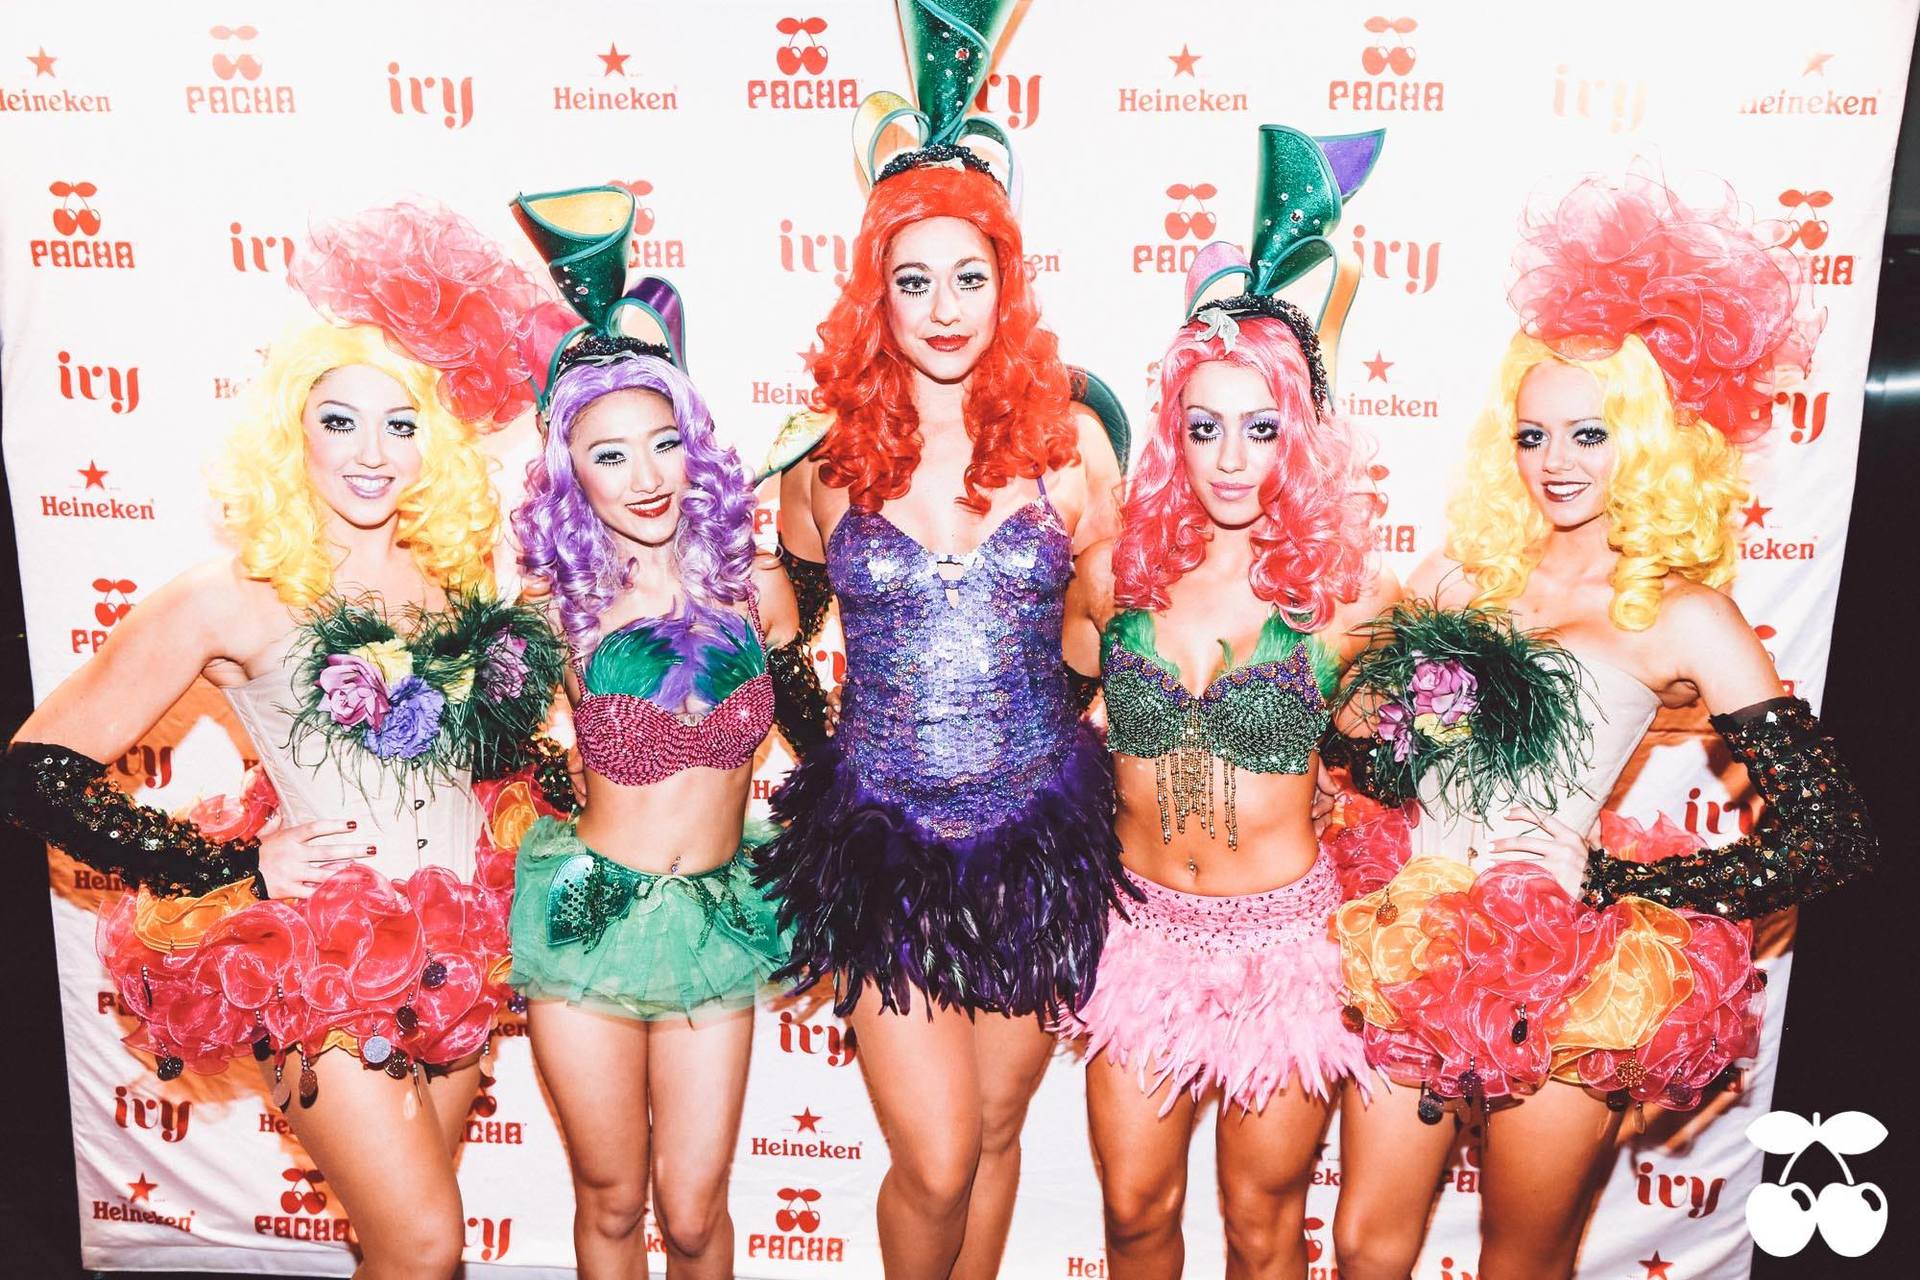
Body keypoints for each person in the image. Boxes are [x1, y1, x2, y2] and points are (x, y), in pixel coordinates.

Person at [1323, 168, 1877, 1280]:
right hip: (1411, 932)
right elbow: (1362, 757)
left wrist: (1632, 888)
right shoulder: (1466, 573)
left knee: (1520, 1258)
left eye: (1589, 432)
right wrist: (1367, 721)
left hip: (1567, 973)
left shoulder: (1682, 608)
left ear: (1648, 439)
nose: (1557, 462)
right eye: (1534, 437)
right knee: (1363, 1241)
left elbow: (1829, 834)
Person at [1, 201, 567, 1279]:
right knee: (428, 1242)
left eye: (401, 423)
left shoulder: (454, 582)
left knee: (408, 1248)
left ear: (437, 441)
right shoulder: (234, 595)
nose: (371, 452)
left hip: (462, 943)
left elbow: (459, 759)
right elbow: (37, 768)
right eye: (339, 419)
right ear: (290, 430)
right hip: (316, 958)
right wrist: (228, 863)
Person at [752, 3, 1129, 1274]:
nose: (945, 305)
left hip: (1036, 831)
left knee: (1002, 1122)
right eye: (914, 281)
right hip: (883, 843)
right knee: (934, 1153)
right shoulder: (823, 464)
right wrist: (829, 748)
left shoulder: (1071, 450)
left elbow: (1110, 627)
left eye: (970, 276)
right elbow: (782, 620)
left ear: (1005, 285)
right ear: (878, 299)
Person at [1060, 125, 1392, 1280]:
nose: (1232, 457)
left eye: (1260, 427)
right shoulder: (1117, 573)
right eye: (1205, 427)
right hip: (1142, 934)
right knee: (1136, 1214)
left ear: (1297, 436)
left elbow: (1401, 765)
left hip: (1287, 948)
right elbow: (1049, 708)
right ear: (1173, 435)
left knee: (1263, 1228)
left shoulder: (1344, 598)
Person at [505, 184, 798, 1279]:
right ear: (571, 474)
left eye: (664, 442)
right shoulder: (556, 612)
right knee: (615, 1197)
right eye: (610, 453)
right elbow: (470, 738)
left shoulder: (755, 590)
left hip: (723, 916)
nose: (646, 475)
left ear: (697, 449)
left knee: (695, 1202)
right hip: (586, 917)